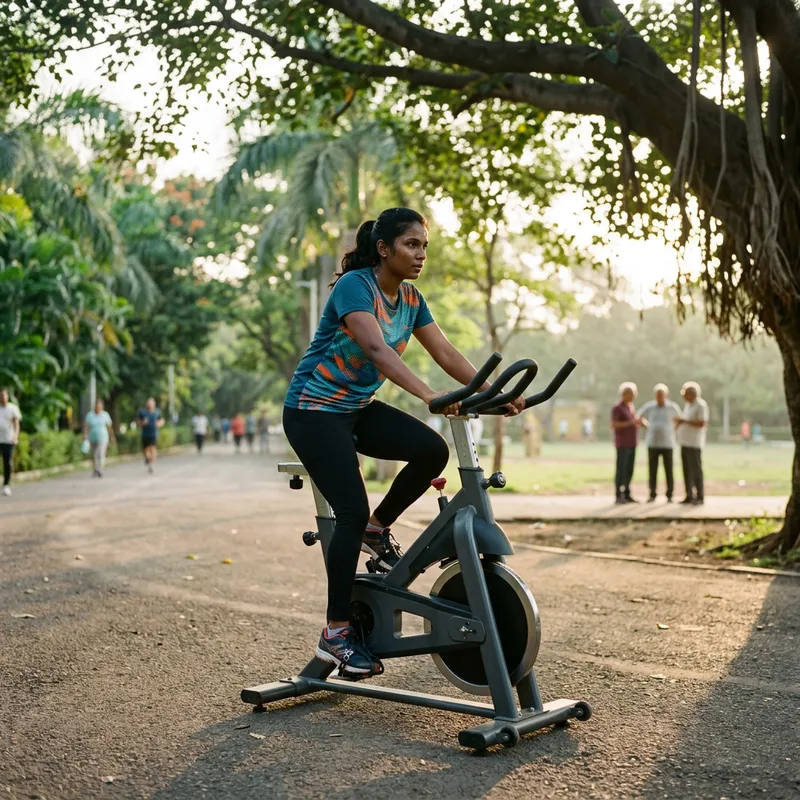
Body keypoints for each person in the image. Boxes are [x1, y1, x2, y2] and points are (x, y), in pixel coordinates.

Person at [282, 208, 524, 678]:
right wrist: (429, 394)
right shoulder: (356, 286)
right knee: (347, 510)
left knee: (432, 450)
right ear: (384, 248)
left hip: (353, 409)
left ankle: (377, 528)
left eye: (424, 246)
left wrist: (491, 392)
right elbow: (375, 348)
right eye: (411, 244)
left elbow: (446, 352)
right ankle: (335, 633)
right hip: (313, 412)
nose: (420, 255)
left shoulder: (411, 297)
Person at [637, 384, 682, 502]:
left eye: (661, 395)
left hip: (668, 443)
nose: (659, 397)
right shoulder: (649, 407)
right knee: (652, 470)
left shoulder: (672, 407)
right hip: (653, 443)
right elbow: (639, 417)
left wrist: (672, 429)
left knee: (669, 470)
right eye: (657, 395)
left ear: (666, 395)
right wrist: (647, 426)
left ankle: (670, 494)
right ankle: (652, 493)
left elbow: (680, 420)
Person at [675, 381, 710, 505]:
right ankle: (689, 494)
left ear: (691, 394)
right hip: (685, 442)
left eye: (686, 394)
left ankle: (699, 495)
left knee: (695, 470)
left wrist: (685, 421)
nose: (684, 397)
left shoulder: (700, 405)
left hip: (695, 443)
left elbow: (702, 423)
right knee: (686, 470)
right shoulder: (688, 406)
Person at [611, 382, 641, 504]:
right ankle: (619, 494)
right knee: (621, 469)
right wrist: (631, 423)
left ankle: (627, 493)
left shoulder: (630, 407)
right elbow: (614, 424)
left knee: (629, 469)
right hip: (622, 443)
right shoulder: (618, 408)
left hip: (632, 442)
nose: (633, 396)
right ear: (624, 394)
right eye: (631, 394)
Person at [83, 399, 115, 478]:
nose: (98, 408)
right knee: (94, 455)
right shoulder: (89, 415)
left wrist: (112, 437)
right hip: (92, 438)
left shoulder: (105, 415)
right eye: (97, 406)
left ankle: (100, 469)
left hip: (103, 438)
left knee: (100, 454)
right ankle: (95, 469)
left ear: (102, 407)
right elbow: (86, 426)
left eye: (99, 406)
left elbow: (109, 427)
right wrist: (85, 435)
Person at [0, 387, 22, 497]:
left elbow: (16, 424)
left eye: (4, 395)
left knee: (7, 462)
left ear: (7, 396)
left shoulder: (12, 409)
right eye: (1, 396)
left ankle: (6, 485)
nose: (3, 398)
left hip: (8, 440)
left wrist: (15, 436)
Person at [136, 397, 164, 474]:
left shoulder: (157, 412)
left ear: (154, 404)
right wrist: (142, 423)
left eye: (151, 403)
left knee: (153, 448)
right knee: (146, 450)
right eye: (148, 403)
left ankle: (151, 462)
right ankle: (148, 459)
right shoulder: (142, 412)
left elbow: (162, 420)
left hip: (154, 434)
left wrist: (158, 424)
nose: (150, 405)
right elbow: (137, 422)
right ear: (146, 404)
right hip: (145, 434)